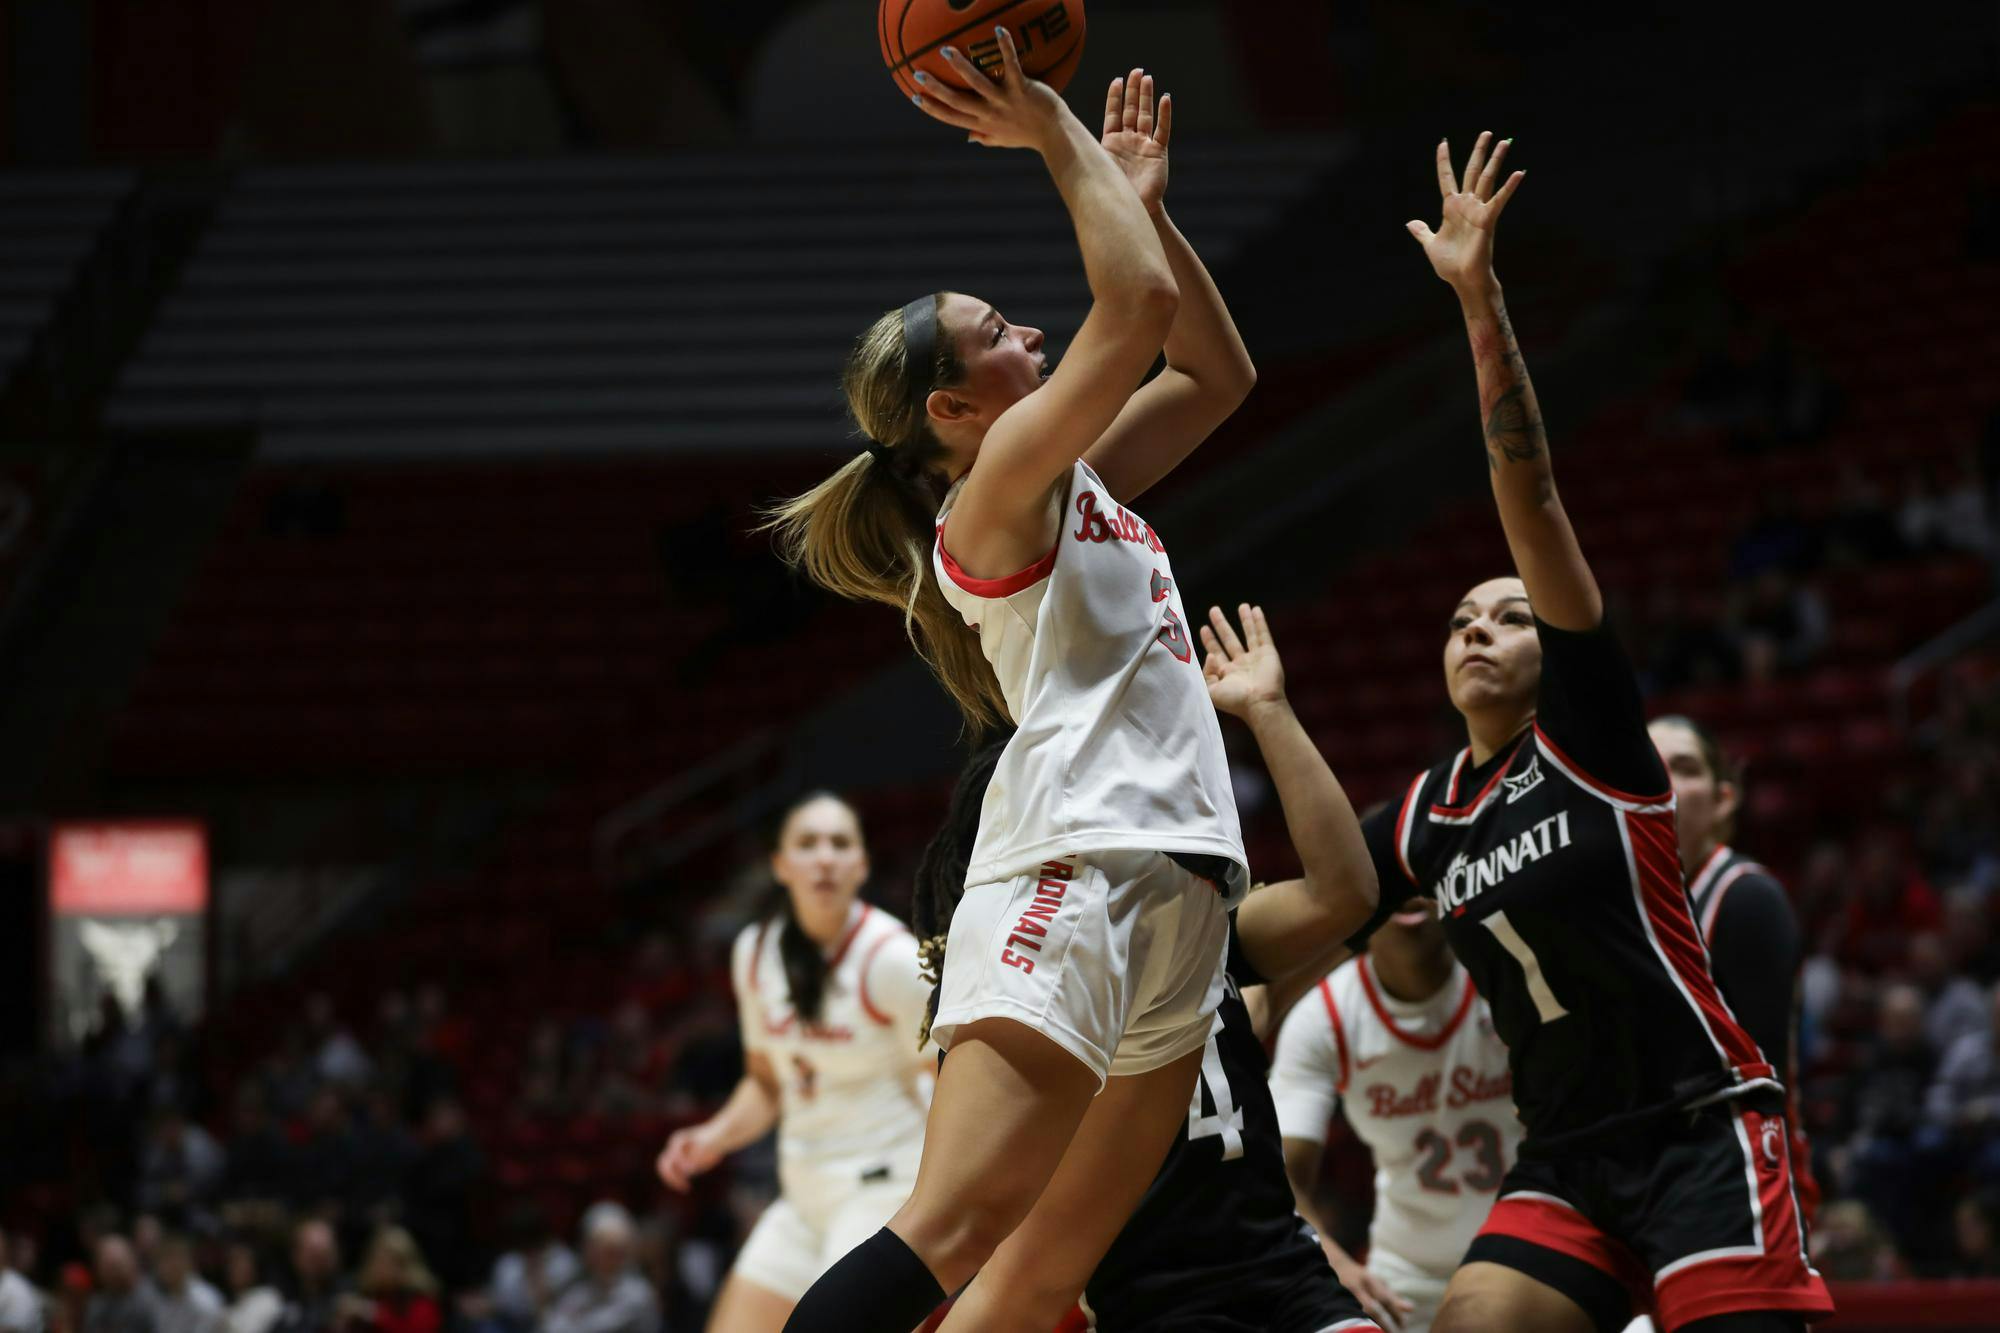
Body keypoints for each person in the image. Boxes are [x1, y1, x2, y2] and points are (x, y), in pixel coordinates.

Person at [765, 41, 1375, 1333]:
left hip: (1182, 884)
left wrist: (1143, 208)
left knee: (1047, 1270)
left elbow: (1215, 376)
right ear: (950, 411)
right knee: (954, 1227)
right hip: (1076, 862)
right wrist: (1051, 125)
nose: (1031, 332)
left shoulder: (1071, 480)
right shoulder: (992, 495)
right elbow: (1133, 309)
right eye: (999, 333)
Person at [1333, 134, 1830, 1332]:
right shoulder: (1422, 814)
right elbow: (1303, 909)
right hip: (1565, 1153)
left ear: (1553, 650)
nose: (1478, 627)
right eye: (1460, 618)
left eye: (1509, 614)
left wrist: (1478, 299)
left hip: (1697, 1127)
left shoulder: (1592, 738)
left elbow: (1533, 494)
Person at [911, 605, 1385, 1330]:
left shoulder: (1195, 929)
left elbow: (1343, 894)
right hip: (1152, 1311)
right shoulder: (1009, 1008)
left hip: (1290, 1283)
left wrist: (1268, 710)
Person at [655, 792, 932, 1331]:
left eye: (840, 844)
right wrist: (714, 1136)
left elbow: (951, 1084)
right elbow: (766, 1081)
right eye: (808, 844)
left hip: (883, 1193)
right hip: (802, 1194)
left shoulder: (893, 959)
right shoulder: (755, 952)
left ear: (861, 865)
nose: (824, 857)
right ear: (781, 865)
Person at [1270, 891, 1521, 1333]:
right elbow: (1281, 1176)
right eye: (1392, 871)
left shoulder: (1508, 974)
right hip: (1404, 1280)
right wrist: (1334, 1260)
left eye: (1417, 870)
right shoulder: (1324, 1016)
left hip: (1526, 1255)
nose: (1408, 889)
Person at [1648, 715, 1819, 1224]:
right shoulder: (1624, 904)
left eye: (1684, 767)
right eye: (1649, 765)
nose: (1664, 781)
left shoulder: (1746, 898)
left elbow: (1751, 1080)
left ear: (1724, 799)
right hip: (1658, 1177)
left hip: (1747, 1182)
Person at [537, 1206, 659, 1333]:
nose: (598, 1257)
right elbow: (551, 1326)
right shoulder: (579, 1287)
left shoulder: (638, 1293)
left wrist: (575, 1321)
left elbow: (599, 1326)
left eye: (610, 1251)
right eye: (594, 1248)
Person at [336, 1230, 438, 1333]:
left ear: (406, 1265)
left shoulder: (420, 1301)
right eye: (378, 1259)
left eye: (390, 1262)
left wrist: (373, 1314)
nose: (381, 1267)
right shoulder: (367, 1294)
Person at [152, 1234, 225, 1333]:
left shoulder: (204, 1301)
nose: (163, 1268)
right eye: (160, 1261)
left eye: (167, 1260)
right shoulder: (165, 1298)